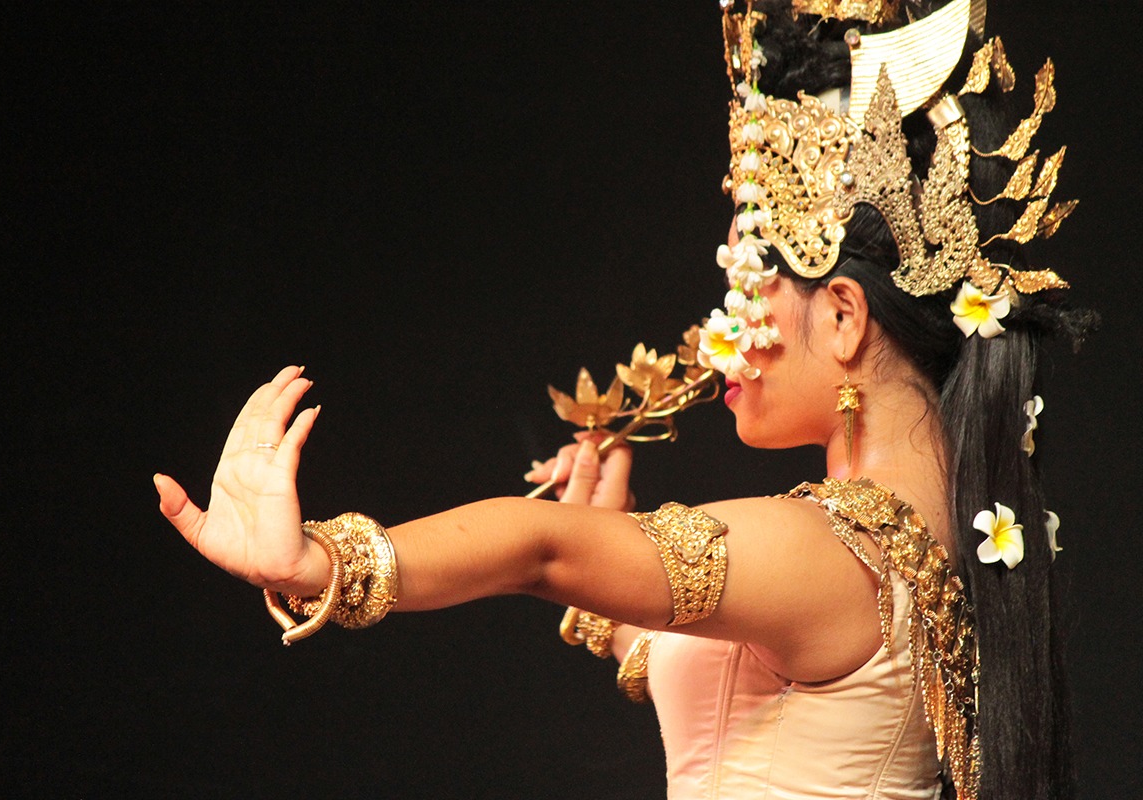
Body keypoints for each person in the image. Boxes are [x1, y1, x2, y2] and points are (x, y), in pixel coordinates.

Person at [155, 2, 1093, 797]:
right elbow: (768, 715)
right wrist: (619, 613)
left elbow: (542, 549)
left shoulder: (838, 549)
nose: (720, 325)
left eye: (748, 284)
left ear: (843, 316)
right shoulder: (917, 540)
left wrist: (324, 561)